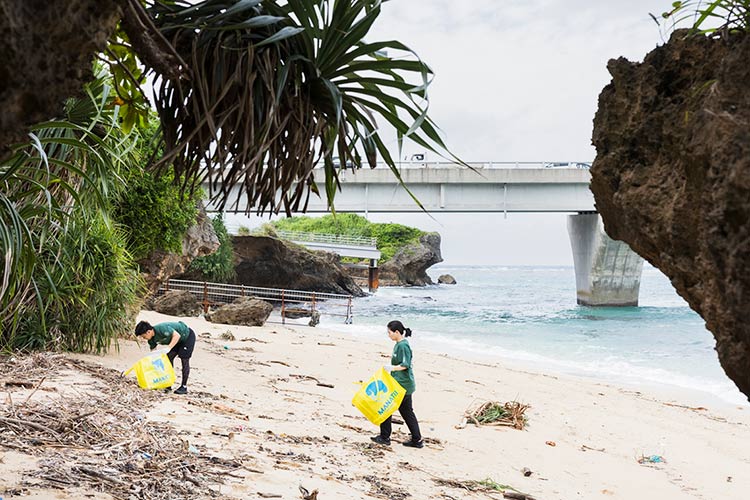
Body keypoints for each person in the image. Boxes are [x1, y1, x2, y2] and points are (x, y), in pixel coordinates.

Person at [371, 320, 423, 448]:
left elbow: (405, 365)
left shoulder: (403, 346)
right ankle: (417, 440)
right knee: (406, 412)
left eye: (389, 332)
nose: (388, 335)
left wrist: (392, 368)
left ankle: (385, 437)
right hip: (400, 383)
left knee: (386, 406)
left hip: (403, 385)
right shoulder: (398, 344)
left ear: (397, 332)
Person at [134, 320, 196, 394]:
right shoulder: (151, 340)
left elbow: (177, 336)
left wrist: (168, 348)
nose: (144, 338)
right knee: (168, 358)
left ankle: (184, 386)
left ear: (148, 332)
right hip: (177, 341)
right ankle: (168, 384)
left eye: (144, 336)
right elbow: (153, 354)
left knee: (184, 359)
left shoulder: (162, 329)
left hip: (187, 336)